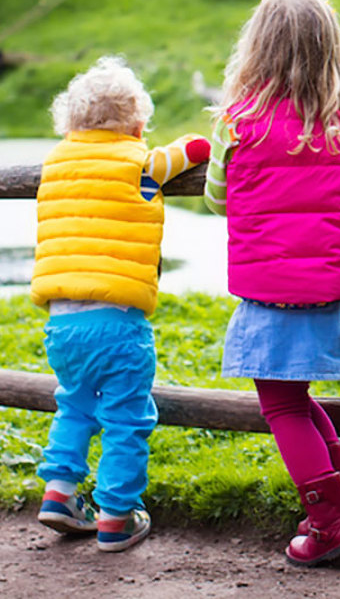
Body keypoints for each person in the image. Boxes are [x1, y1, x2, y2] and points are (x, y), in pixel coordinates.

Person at [204, 0, 340, 567]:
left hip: (273, 295)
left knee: (281, 404)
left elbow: (217, 200)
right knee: (294, 396)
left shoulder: (237, 130)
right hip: (333, 295)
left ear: (255, 51)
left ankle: (328, 522)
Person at [30, 56, 210, 552]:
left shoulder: (54, 163)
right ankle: (115, 514)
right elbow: (197, 147)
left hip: (61, 323)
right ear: (136, 125)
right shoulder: (143, 164)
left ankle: (60, 493)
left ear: (70, 122)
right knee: (127, 418)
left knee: (75, 405)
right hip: (118, 324)